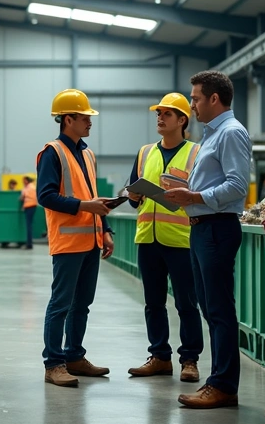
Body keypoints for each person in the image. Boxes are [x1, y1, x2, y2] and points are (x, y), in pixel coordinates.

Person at [163, 71, 252, 409]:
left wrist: (195, 196)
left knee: (219, 310)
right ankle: (218, 381)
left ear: (215, 98)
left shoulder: (231, 133)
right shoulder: (211, 136)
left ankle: (224, 385)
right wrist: (184, 191)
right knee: (210, 308)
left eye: (196, 98)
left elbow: (237, 185)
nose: (192, 105)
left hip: (217, 228)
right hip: (201, 227)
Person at [124, 93, 205, 383]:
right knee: (153, 302)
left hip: (181, 240)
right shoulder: (145, 152)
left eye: (166, 114)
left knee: (186, 303)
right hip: (148, 238)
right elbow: (133, 197)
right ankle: (159, 356)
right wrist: (133, 195)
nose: (160, 118)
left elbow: (202, 196)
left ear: (182, 120)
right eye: (158, 113)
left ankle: (189, 360)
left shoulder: (197, 153)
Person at [40, 89, 115, 388]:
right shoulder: (52, 152)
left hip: (91, 241)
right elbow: (46, 196)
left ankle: (74, 356)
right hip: (68, 242)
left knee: (82, 303)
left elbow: (92, 196)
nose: (89, 122)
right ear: (67, 119)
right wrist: (85, 207)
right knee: (61, 304)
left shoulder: (87, 154)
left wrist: (105, 229)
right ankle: (53, 364)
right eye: (84, 117)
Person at [20, 176, 38, 250]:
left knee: (28, 226)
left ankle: (29, 244)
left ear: (27, 181)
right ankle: (29, 243)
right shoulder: (32, 186)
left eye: (24, 180)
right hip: (32, 206)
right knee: (29, 225)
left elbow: (22, 197)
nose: (23, 182)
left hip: (29, 207)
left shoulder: (28, 188)